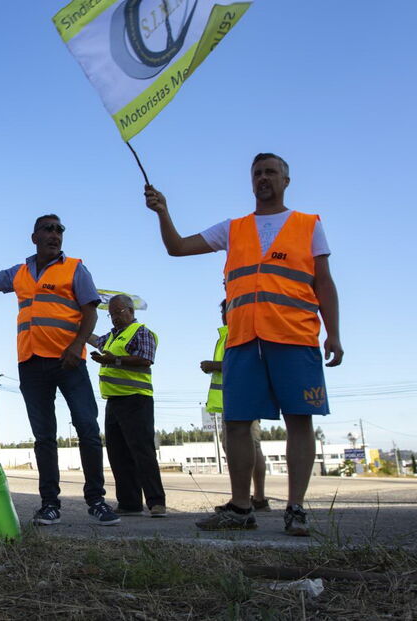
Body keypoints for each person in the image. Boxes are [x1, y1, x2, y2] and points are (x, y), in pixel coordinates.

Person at [144, 153, 343, 536]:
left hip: (294, 336)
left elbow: (325, 282)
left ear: (286, 180)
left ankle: (296, 508)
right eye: (257, 173)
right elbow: (178, 248)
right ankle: (240, 507)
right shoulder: (233, 228)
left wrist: (333, 333)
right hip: (243, 339)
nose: (263, 178)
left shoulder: (308, 225)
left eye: (271, 172)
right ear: (251, 182)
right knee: (236, 423)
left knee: (298, 420)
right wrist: (162, 212)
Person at [0, 215, 119, 526]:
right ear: (34, 236)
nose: (55, 234)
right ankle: (49, 504)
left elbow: (90, 313)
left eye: (60, 229)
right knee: (43, 436)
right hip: (31, 363)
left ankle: (97, 500)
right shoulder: (20, 273)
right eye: (48, 228)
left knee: (87, 429)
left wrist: (76, 347)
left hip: (69, 362)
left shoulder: (75, 268)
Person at [88, 294, 167, 517]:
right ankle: (129, 503)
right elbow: (95, 340)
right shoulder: (113, 336)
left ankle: (156, 502)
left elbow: (145, 359)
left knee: (142, 452)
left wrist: (113, 361)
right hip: (113, 402)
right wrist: (78, 327)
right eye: (111, 314)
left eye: (119, 312)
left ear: (131, 311)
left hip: (136, 399)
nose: (114, 318)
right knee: (118, 454)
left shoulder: (141, 331)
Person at [201, 299, 269, 512]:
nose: (223, 314)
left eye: (226, 309)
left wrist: (215, 366)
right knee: (242, 445)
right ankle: (248, 498)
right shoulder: (227, 334)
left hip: (243, 398)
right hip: (231, 400)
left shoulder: (242, 332)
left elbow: (247, 362)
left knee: (248, 445)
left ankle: (254, 499)